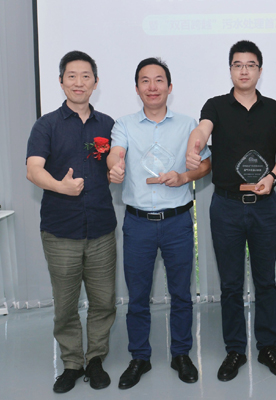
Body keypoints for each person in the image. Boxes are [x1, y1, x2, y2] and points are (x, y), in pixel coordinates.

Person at [186, 40, 276, 382]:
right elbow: (202, 129)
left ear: (260, 70)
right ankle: (235, 350)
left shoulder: (273, 108)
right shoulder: (216, 105)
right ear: (230, 69)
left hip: (264, 207)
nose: (244, 71)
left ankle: (268, 347)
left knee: (266, 281)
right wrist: (194, 145)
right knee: (231, 284)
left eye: (250, 65)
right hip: (226, 206)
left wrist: (272, 177)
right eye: (237, 65)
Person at [107, 57, 211, 389]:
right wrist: (114, 166)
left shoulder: (187, 124)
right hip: (138, 223)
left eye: (159, 80)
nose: (152, 87)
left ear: (169, 87)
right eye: (145, 81)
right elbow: (115, 153)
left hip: (177, 222)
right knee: (138, 296)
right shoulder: (123, 124)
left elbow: (205, 165)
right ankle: (140, 357)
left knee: (181, 294)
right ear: (137, 88)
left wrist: (184, 176)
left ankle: (181, 354)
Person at [26, 50, 117, 393]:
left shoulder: (108, 125)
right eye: (72, 76)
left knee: (103, 301)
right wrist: (59, 186)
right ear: (62, 81)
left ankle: (95, 359)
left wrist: (116, 171)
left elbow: (112, 165)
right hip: (60, 229)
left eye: (86, 76)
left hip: (101, 228)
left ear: (95, 82)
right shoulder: (46, 125)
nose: (79, 82)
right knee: (65, 305)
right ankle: (72, 363)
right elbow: (33, 169)